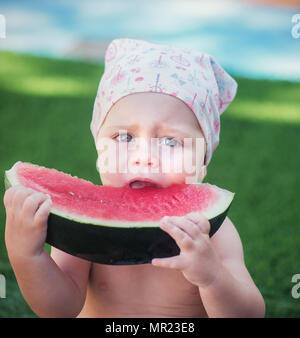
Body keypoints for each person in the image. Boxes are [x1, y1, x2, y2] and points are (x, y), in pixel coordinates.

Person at [4, 38, 265, 318]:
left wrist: (212, 277)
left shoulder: (214, 233)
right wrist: (27, 256)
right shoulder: (85, 226)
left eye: (171, 141)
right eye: (124, 137)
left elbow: (250, 314)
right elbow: (60, 310)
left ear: (203, 160)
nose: (144, 156)